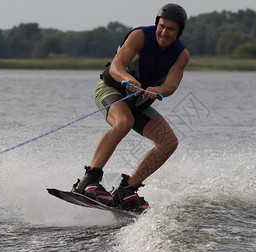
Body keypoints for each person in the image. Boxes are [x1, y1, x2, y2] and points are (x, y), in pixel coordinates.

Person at [72, 3, 189, 213]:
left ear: (178, 32)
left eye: (170, 29)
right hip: (111, 90)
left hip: (139, 102)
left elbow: (172, 85)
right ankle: (89, 181)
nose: (164, 32)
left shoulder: (181, 55)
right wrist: (127, 78)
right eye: (161, 26)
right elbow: (116, 66)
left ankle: (127, 190)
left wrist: (158, 89)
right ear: (157, 24)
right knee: (124, 122)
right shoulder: (140, 36)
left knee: (169, 141)